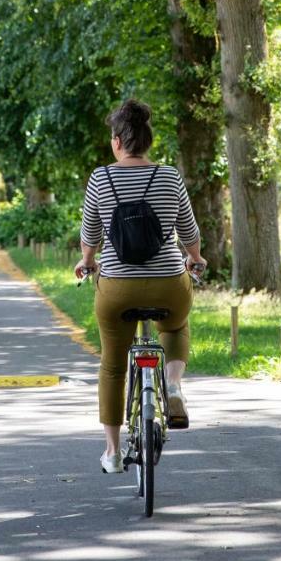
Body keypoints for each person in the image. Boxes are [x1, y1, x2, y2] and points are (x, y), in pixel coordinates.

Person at [76, 98, 205, 474]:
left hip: (117, 289)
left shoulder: (101, 178)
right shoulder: (169, 177)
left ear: (118, 140)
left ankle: (113, 452)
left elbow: (90, 238)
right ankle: (174, 385)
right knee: (176, 325)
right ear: (148, 140)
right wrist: (194, 258)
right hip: (168, 284)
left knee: (113, 366)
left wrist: (87, 263)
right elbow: (190, 235)